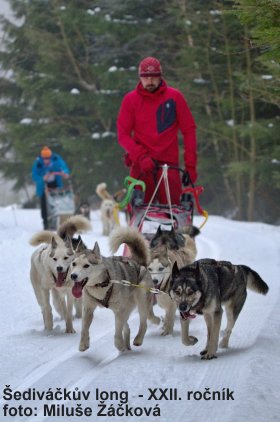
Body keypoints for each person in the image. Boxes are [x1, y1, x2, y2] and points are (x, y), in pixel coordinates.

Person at [117, 56, 197, 205]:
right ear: (140, 78)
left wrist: (190, 166)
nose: (150, 81)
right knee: (137, 216)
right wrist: (141, 156)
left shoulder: (175, 97)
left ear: (160, 76)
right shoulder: (130, 100)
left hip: (169, 167)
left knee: (173, 216)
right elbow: (123, 135)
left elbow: (189, 130)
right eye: (146, 77)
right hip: (141, 166)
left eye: (154, 77)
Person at [32, 146, 70, 229]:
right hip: (43, 187)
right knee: (44, 205)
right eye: (44, 158)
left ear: (51, 156)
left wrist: (65, 173)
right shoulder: (38, 163)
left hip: (55, 185)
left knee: (57, 204)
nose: (46, 160)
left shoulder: (56, 160)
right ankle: (46, 223)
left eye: (48, 158)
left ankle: (57, 222)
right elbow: (34, 175)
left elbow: (64, 168)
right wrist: (42, 178)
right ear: (42, 157)